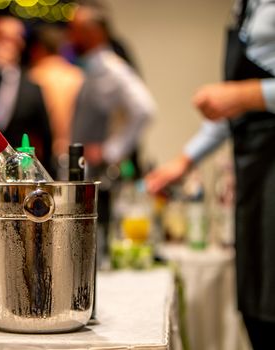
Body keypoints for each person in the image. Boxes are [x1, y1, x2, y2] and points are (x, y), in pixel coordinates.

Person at [145, 1, 275, 348]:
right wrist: (183, 161)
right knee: (257, 306)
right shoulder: (246, 5)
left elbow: (242, 98)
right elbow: (235, 112)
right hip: (257, 173)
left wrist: (248, 93)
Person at [68, 0, 156, 177]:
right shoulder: (89, 67)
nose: (71, 36)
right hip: (85, 171)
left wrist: (110, 151)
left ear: (94, 32)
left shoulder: (113, 69)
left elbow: (145, 110)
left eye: (76, 30)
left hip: (101, 176)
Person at [0, 15, 53, 171]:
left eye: (16, 39)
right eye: (2, 38)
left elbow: (45, 137)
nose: (9, 46)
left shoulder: (31, 87)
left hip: (15, 172)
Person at [28, 23, 84, 172]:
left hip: (43, 158)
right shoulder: (78, 76)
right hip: (75, 154)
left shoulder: (33, 77)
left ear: (37, 49)